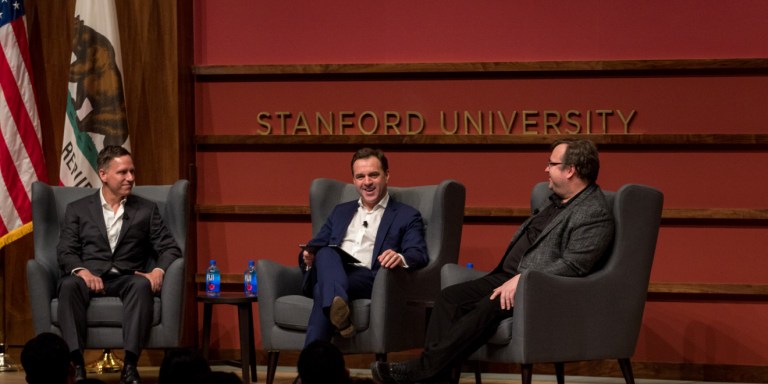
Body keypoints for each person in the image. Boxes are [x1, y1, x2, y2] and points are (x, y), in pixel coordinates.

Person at [371, 139, 615, 384]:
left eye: (551, 164)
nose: (545, 169)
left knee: (489, 305)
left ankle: (421, 371)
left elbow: (574, 265)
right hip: (506, 276)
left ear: (570, 169)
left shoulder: (593, 211)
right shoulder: (553, 199)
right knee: (448, 298)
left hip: (540, 289)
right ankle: (436, 378)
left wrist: (523, 280)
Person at [57, 146, 182, 384]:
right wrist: (82, 271)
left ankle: (130, 366)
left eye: (132, 172)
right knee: (69, 285)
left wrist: (158, 270)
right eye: (123, 172)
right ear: (103, 175)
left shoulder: (146, 210)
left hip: (127, 277)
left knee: (140, 285)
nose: (131, 178)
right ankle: (78, 365)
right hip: (88, 277)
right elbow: (65, 250)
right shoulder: (78, 209)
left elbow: (169, 247)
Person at [300, 148, 428, 345]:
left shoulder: (406, 215)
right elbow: (314, 246)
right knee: (325, 252)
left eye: (373, 175)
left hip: (368, 277)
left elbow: (418, 253)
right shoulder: (340, 211)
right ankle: (337, 308)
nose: (367, 182)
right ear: (353, 180)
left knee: (321, 290)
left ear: (386, 175)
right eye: (360, 176)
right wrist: (307, 257)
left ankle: (310, 370)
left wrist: (399, 257)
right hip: (334, 270)